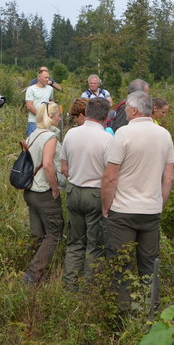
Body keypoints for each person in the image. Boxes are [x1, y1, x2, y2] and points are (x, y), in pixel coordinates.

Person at [101, 91, 174, 312]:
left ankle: (124, 315)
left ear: (134, 109)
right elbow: (169, 177)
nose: (124, 111)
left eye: (126, 108)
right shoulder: (164, 135)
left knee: (121, 264)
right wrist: (158, 204)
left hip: (123, 211)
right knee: (149, 264)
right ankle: (151, 311)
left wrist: (106, 207)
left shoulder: (123, 134)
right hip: (150, 211)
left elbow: (110, 177)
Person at [60, 97, 112, 288]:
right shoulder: (107, 138)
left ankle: (70, 285)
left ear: (87, 112)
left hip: (73, 190)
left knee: (75, 242)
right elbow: (110, 174)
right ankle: (89, 289)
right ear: (106, 116)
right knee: (94, 244)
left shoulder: (71, 134)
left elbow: (64, 168)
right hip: (95, 193)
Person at [21, 101, 63, 284]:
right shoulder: (49, 137)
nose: (60, 119)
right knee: (54, 234)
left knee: (38, 234)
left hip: (30, 191)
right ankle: (33, 272)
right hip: (43, 192)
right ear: (50, 117)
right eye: (58, 116)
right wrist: (55, 188)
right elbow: (47, 165)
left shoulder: (32, 135)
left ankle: (36, 273)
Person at [25, 69, 56, 136]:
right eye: (46, 77)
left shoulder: (50, 89)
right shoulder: (31, 89)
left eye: (48, 77)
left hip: (46, 122)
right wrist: (41, 115)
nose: (48, 79)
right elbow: (29, 106)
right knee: (32, 143)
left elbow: (51, 102)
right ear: (39, 77)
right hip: (34, 122)